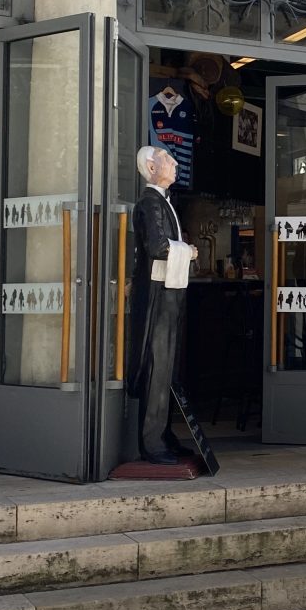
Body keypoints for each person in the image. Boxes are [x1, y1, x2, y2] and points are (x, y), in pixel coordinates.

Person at [129, 145, 193, 465]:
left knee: (167, 367)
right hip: (156, 295)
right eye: (167, 159)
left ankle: (164, 434)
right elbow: (157, 247)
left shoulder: (163, 202)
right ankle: (151, 442)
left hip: (169, 293)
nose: (174, 163)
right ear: (151, 168)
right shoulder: (149, 203)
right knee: (156, 366)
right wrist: (189, 251)